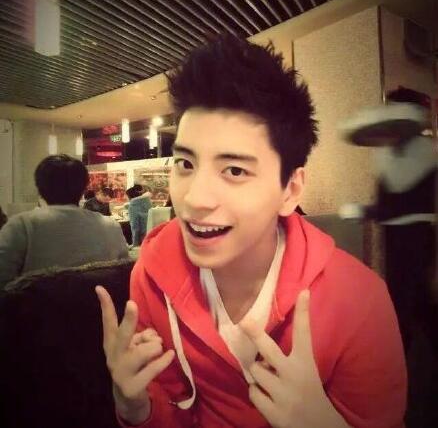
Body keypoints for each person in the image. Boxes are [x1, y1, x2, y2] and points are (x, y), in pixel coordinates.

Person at [96, 35, 406, 428]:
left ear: (290, 190)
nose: (194, 198)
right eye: (185, 164)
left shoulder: (360, 301)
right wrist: (135, 407)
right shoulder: (152, 275)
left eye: (235, 170)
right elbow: (171, 409)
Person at [339, 87, 437, 355]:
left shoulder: (424, 152)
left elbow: (401, 197)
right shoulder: (391, 152)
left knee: (406, 300)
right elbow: (388, 201)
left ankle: (396, 358)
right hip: (395, 235)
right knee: (415, 299)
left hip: (415, 235)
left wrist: (366, 212)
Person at [0, 155, 129, 289]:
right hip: (100, 302)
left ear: (39, 188)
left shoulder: (21, 226)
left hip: (39, 303)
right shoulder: (111, 226)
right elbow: (124, 276)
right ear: (84, 188)